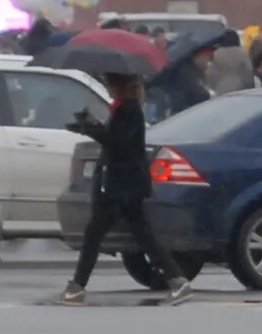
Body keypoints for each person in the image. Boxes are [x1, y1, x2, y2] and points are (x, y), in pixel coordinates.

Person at [60, 74, 189, 305]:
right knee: (143, 235)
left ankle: (77, 287)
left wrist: (92, 129)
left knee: (94, 235)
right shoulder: (123, 109)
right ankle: (177, 280)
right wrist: (92, 126)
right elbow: (115, 140)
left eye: (110, 84)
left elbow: (119, 145)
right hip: (125, 185)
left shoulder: (128, 111)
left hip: (122, 186)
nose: (108, 88)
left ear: (119, 87)